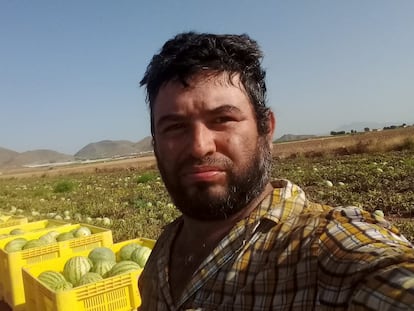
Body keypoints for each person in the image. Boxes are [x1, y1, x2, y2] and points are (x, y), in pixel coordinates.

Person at [138, 32, 414, 310]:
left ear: (266, 128)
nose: (199, 147)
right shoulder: (163, 250)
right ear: (156, 144)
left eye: (223, 119)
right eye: (174, 127)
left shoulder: (322, 249)